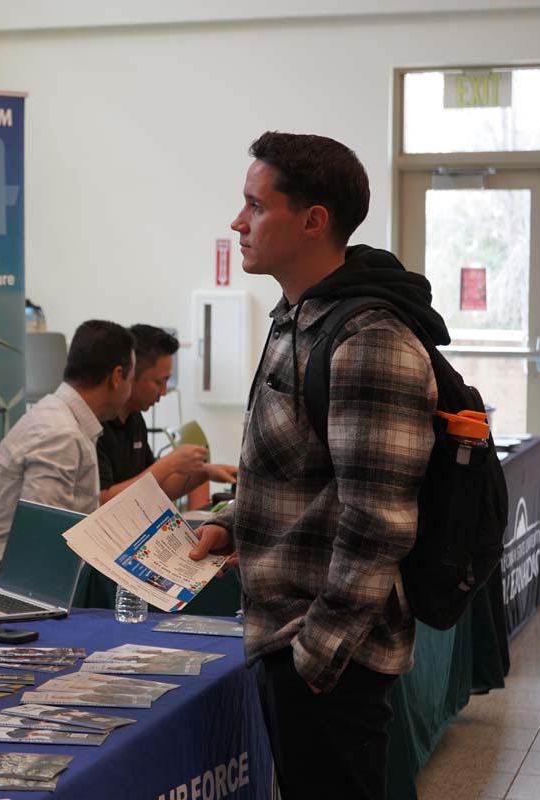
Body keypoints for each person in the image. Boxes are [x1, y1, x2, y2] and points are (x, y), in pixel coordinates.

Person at [189, 131, 440, 800]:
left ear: (313, 220)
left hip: (330, 658)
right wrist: (233, 524)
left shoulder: (369, 339)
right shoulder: (296, 317)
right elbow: (296, 469)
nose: (238, 222)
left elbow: (379, 522)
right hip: (288, 641)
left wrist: (316, 656)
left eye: (256, 206)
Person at [0, 320, 134, 587]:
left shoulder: (61, 419)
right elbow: (41, 543)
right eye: (131, 380)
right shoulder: (61, 434)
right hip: (0, 581)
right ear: (117, 377)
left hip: (15, 573)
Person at [97, 324, 237, 504]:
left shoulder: (135, 420)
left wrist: (206, 473)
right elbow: (104, 502)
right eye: (159, 382)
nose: (163, 392)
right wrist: (169, 463)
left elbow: (154, 487)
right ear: (130, 375)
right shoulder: (97, 425)